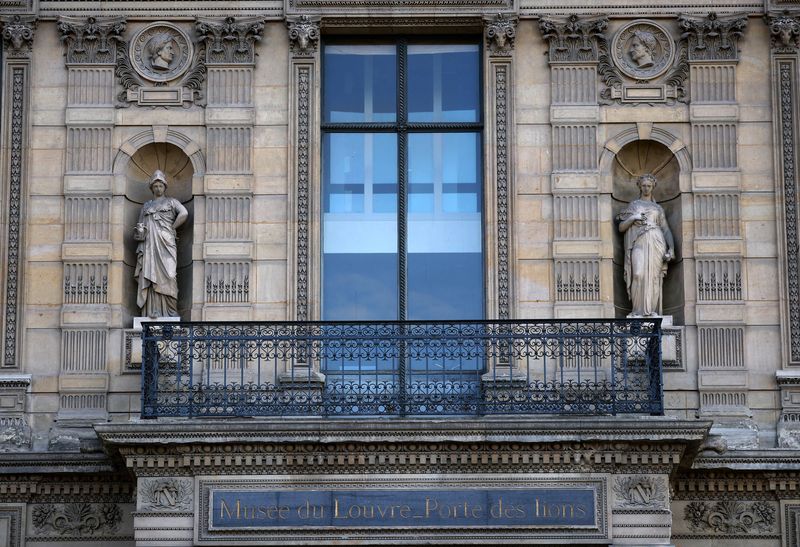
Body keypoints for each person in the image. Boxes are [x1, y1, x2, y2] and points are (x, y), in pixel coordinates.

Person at [617, 174, 674, 317]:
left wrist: (671, 248)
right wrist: (633, 218)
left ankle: (651, 312)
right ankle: (637, 311)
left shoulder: (658, 208)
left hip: (656, 241)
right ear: (639, 186)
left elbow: (666, 229)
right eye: (643, 185)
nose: (646, 188)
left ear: (653, 187)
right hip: (639, 241)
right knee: (637, 274)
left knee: (654, 278)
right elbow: (621, 228)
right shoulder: (634, 205)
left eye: (649, 186)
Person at [134, 170, 188, 318]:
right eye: (155, 186)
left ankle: (170, 312)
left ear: (165, 187)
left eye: (160, 186)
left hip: (166, 242)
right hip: (149, 245)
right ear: (152, 188)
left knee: (170, 275)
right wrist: (140, 231)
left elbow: (184, 213)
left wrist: (172, 227)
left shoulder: (172, 202)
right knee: (150, 274)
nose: (158, 188)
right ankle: (152, 310)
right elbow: (140, 225)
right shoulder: (146, 206)